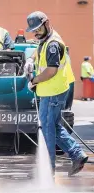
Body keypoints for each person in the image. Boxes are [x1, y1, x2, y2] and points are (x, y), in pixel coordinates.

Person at [24, 11, 88, 176]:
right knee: (54, 125)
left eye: (38, 28)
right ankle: (77, 154)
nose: (36, 32)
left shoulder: (53, 44)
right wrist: (30, 60)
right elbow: (39, 51)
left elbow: (51, 71)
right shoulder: (45, 40)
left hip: (53, 92)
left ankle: (48, 169)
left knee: (47, 128)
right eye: (33, 30)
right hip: (51, 91)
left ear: (46, 23)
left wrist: (34, 81)